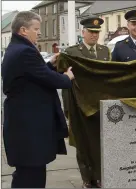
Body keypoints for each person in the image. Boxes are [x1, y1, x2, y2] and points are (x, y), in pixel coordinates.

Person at [1, 11, 74, 188]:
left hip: (24, 125)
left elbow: (32, 76)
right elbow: (49, 79)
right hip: (28, 128)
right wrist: (67, 77)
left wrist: (49, 65)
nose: (39, 33)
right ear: (23, 30)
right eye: (36, 28)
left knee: (29, 172)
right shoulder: (25, 51)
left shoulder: (18, 49)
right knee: (31, 175)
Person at [62, 16, 111, 188]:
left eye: (97, 32)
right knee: (82, 142)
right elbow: (65, 82)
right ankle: (86, 178)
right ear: (82, 32)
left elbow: (108, 79)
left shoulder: (105, 51)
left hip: (100, 105)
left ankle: (97, 176)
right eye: (91, 32)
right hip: (79, 106)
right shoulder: (72, 52)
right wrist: (67, 109)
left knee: (99, 141)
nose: (94, 35)